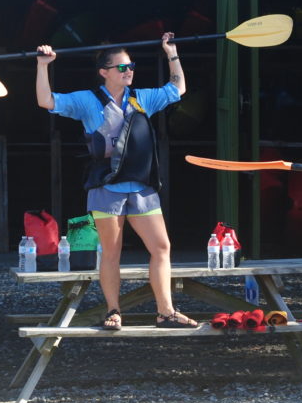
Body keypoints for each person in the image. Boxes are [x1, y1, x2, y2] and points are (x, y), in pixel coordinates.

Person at [35, 34, 196, 330]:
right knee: (112, 252)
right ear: (104, 72)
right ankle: (113, 311)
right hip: (106, 186)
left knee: (162, 247)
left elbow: (178, 88)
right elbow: (46, 100)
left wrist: (171, 52)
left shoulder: (142, 98)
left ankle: (166, 312)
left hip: (142, 186)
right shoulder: (87, 101)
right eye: (122, 67)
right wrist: (43, 65)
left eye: (131, 66)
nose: (129, 71)